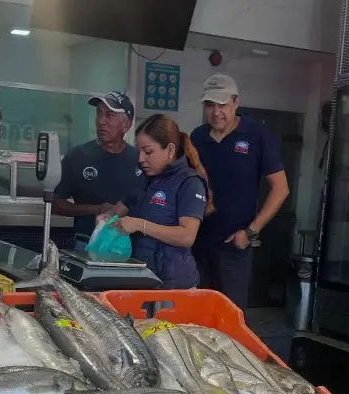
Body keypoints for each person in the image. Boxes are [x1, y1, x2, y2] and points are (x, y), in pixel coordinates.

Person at [190, 74, 290, 309]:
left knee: (230, 317)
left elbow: (281, 189)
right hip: (197, 243)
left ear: (236, 102)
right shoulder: (197, 137)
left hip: (233, 245)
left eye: (222, 105)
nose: (216, 112)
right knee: (196, 315)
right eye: (210, 105)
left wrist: (250, 233)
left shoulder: (257, 135)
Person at [111, 115, 208, 289]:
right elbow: (119, 211)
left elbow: (187, 236)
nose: (141, 158)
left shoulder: (189, 183)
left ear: (170, 150)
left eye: (148, 152)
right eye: (139, 151)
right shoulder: (143, 177)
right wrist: (106, 219)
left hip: (174, 284)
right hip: (141, 276)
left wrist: (140, 225)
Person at [52, 92, 145, 250]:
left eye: (109, 115)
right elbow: (55, 204)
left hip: (130, 247)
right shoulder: (78, 156)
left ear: (127, 125)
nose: (101, 121)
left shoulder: (140, 160)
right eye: (99, 114)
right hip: (87, 244)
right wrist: (95, 209)